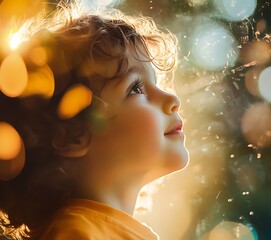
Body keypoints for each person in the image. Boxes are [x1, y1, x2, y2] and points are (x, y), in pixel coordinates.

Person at [0, 2, 188, 239]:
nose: (172, 98)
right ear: (72, 136)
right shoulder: (76, 233)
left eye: (157, 82)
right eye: (136, 88)